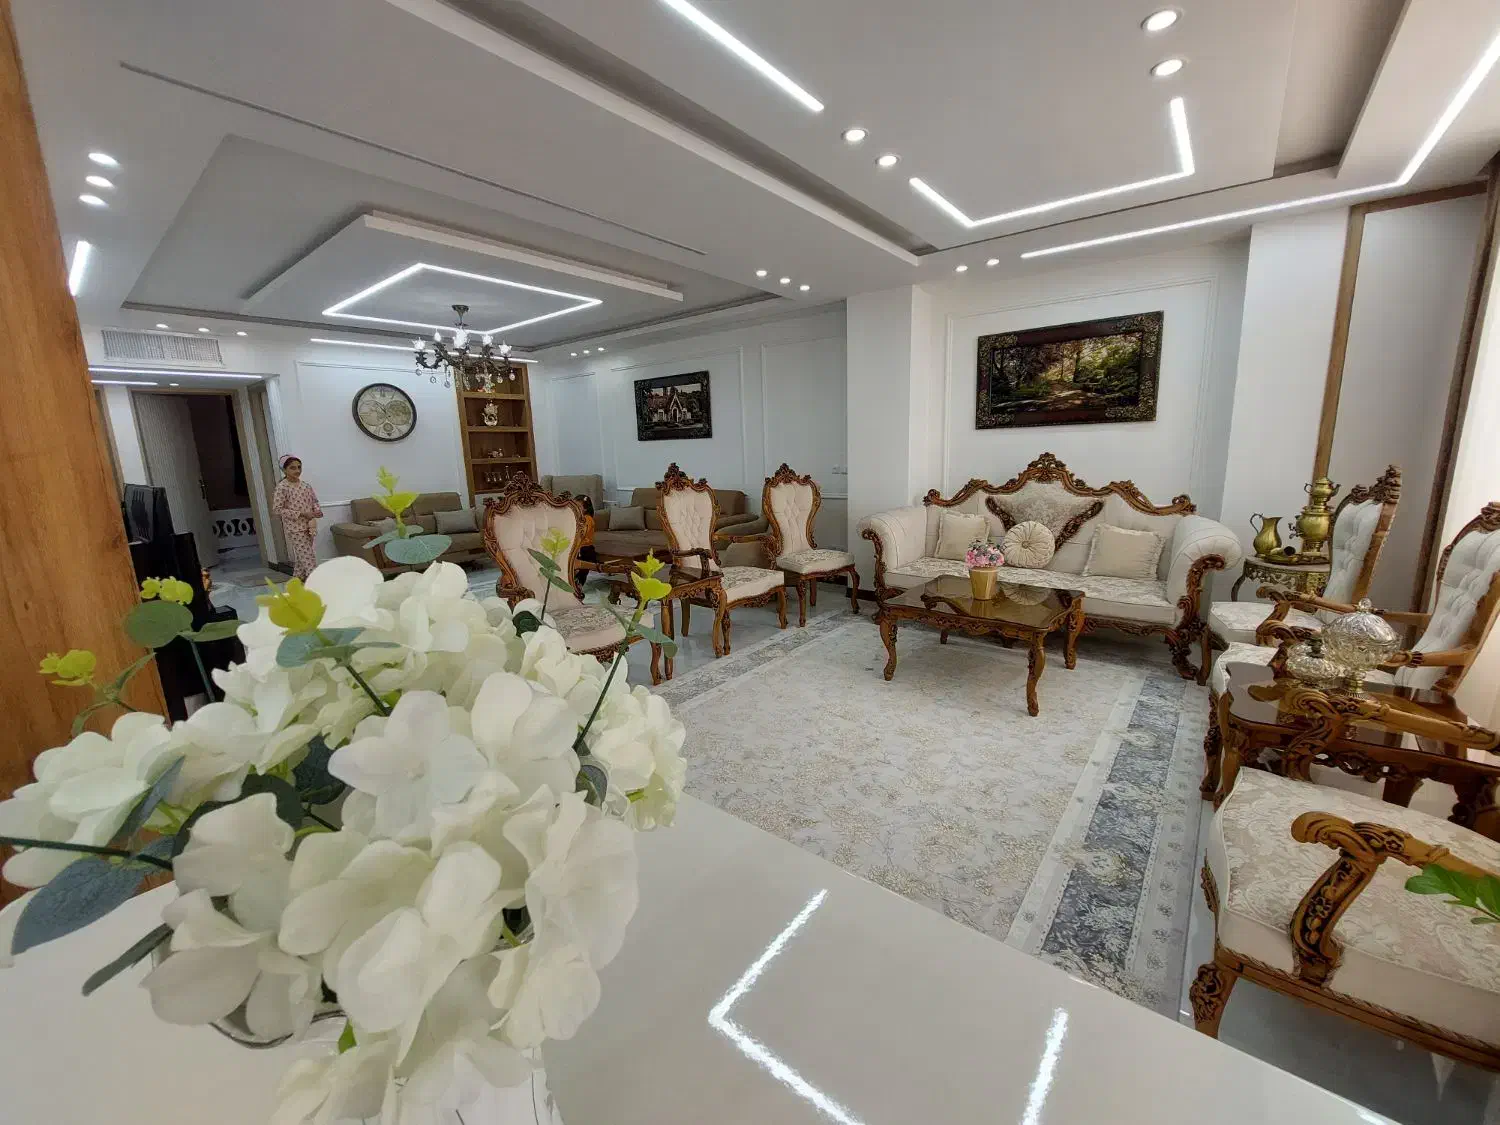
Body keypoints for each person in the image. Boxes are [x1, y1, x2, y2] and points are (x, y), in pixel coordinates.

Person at [271, 454, 323, 579]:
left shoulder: (306, 486)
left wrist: (317, 511)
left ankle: (297, 580)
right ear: (284, 470)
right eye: (293, 468)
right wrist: (301, 514)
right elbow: (277, 509)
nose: (297, 470)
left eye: (299, 467)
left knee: (303, 556)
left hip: (310, 526)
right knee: (308, 556)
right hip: (295, 528)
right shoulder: (282, 487)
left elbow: (314, 501)